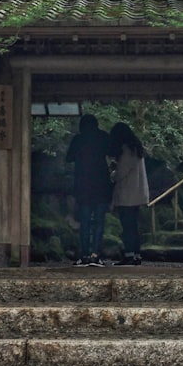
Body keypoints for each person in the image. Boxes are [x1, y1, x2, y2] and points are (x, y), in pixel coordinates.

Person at [65, 114, 111, 266]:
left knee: (84, 222)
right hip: (102, 186)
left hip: (83, 185)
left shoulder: (78, 139)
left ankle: (84, 256)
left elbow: (69, 158)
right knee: (99, 222)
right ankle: (95, 255)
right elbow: (113, 152)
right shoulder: (103, 137)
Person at [109, 122, 149, 266]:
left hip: (127, 194)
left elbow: (121, 173)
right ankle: (137, 255)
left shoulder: (126, 150)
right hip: (137, 193)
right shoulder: (137, 149)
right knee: (133, 226)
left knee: (127, 226)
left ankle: (129, 255)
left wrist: (113, 172)